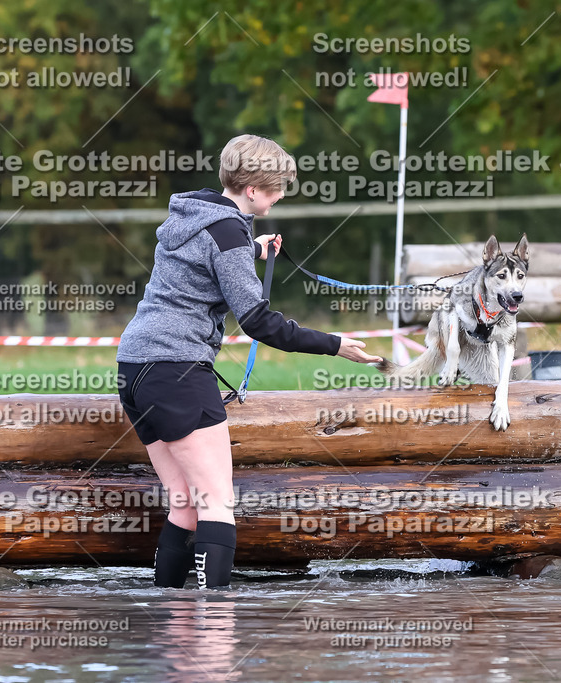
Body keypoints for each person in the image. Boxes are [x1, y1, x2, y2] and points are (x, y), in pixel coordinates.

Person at [116, 134, 381, 589]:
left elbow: (206, 262)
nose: (279, 198)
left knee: (184, 500)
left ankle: (171, 616)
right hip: (178, 369)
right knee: (217, 502)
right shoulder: (228, 233)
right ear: (253, 190)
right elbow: (259, 321)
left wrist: (255, 250)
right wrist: (335, 344)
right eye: (276, 189)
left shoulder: (193, 217)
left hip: (135, 368)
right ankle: (214, 623)